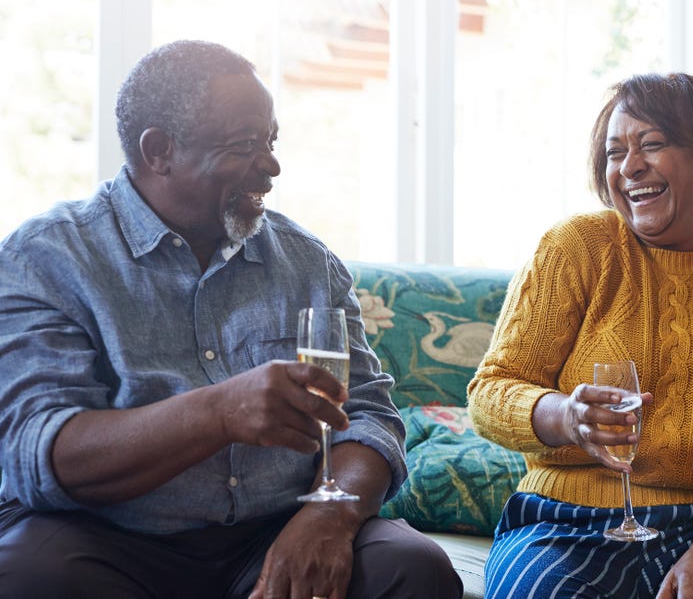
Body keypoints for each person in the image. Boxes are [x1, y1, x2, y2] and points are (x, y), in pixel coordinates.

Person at [0, 40, 462, 599]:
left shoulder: (306, 261)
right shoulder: (49, 257)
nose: (271, 166)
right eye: (245, 145)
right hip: (106, 537)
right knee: (30, 576)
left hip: (276, 528)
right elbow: (38, 453)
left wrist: (327, 515)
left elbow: (368, 418)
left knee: (413, 568)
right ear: (159, 151)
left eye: (270, 141)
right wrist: (220, 412)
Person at [468, 72, 693, 598]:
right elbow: (492, 390)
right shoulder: (577, 247)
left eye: (652, 144)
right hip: (567, 522)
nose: (629, 167)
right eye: (614, 152)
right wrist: (567, 417)